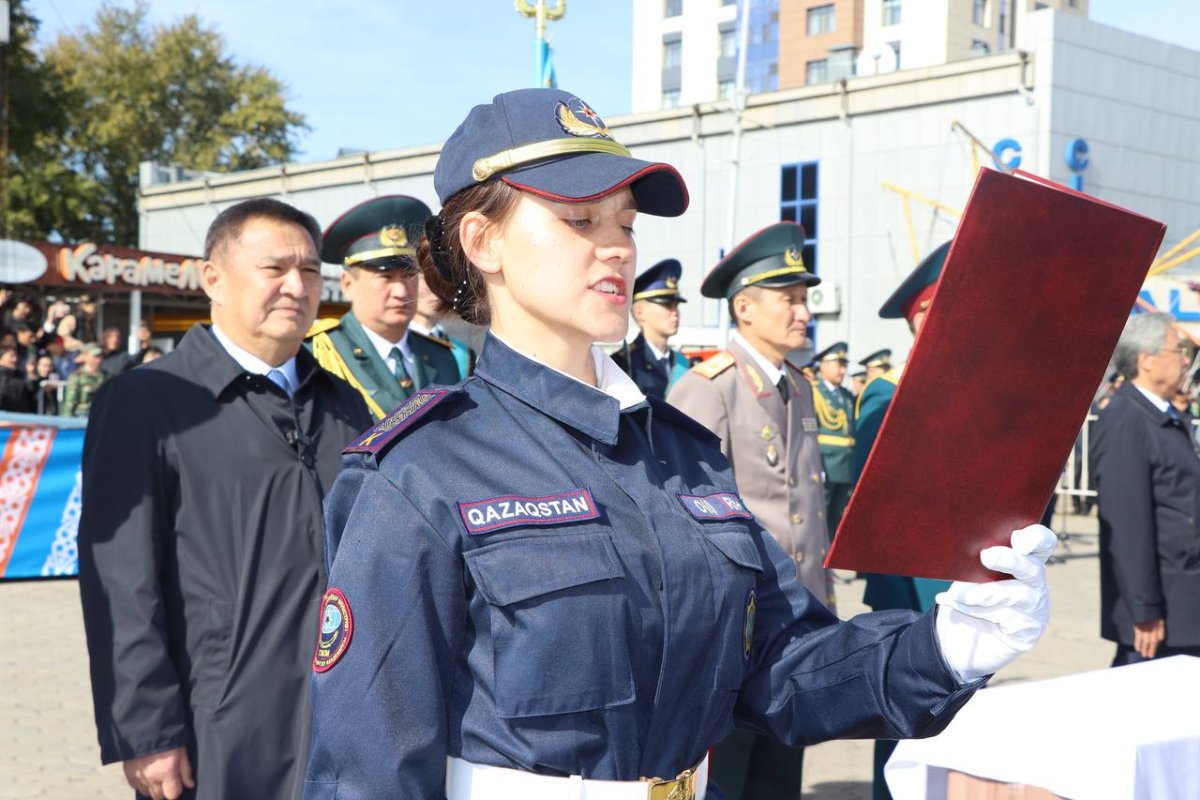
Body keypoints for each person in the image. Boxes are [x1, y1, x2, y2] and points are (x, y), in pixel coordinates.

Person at [302, 88, 1056, 800]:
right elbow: (368, 770)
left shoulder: (681, 455)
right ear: (483, 241)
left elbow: (784, 669)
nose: (617, 249)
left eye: (625, 224)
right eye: (579, 221)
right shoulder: (421, 473)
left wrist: (950, 643)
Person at [77, 198, 372, 800]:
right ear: (213, 276)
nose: (296, 286)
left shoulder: (343, 405)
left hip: (342, 719)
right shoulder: (147, 403)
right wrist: (147, 730)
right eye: (275, 268)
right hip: (217, 726)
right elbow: (122, 579)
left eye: (311, 271)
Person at [668, 222, 832, 799]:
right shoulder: (709, 389)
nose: (803, 312)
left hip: (797, 623)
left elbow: (807, 507)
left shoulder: (800, 387)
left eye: (804, 299)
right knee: (727, 782)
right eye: (789, 299)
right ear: (745, 308)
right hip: (735, 634)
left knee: (780, 781)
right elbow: (684, 521)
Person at [851, 241, 952, 800]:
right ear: (922, 322)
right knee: (905, 741)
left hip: (968, 598)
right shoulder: (887, 404)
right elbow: (871, 522)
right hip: (910, 604)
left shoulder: (969, 398)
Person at [1092, 312, 1200, 667]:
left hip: (1183, 601)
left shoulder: (1164, 416)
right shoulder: (1127, 421)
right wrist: (1144, 607)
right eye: (1178, 350)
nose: (1187, 359)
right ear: (1147, 360)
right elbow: (1127, 525)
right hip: (1159, 614)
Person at [307, 194, 462, 420]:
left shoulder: (441, 355)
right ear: (347, 284)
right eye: (385, 277)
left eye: (409, 275)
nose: (400, 292)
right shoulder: (320, 353)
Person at [611, 257, 691, 399]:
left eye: (676, 305)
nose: (675, 312)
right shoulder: (621, 365)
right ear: (639, 312)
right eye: (667, 305)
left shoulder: (683, 363)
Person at [811, 341, 856, 541]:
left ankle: (829, 561)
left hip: (845, 465)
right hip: (826, 463)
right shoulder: (814, 392)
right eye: (839, 364)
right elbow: (809, 433)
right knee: (821, 514)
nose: (843, 370)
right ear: (824, 364)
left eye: (845, 364)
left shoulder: (846, 395)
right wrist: (816, 465)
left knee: (837, 514)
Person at [410, 270, 477, 378]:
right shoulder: (395, 343)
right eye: (426, 279)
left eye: (441, 281)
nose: (434, 290)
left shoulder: (463, 353)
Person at [63, 344, 107, 417]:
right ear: (85, 356)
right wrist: (66, 424)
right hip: (83, 417)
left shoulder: (107, 377)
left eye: (101, 356)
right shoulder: (77, 377)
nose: (99, 359)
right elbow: (70, 404)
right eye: (95, 356)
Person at [0, 344, 35, 412]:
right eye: (11, 356)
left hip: (21, 418)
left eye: (16, 356)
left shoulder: (20, 375)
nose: (15, 359)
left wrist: (30, 375)